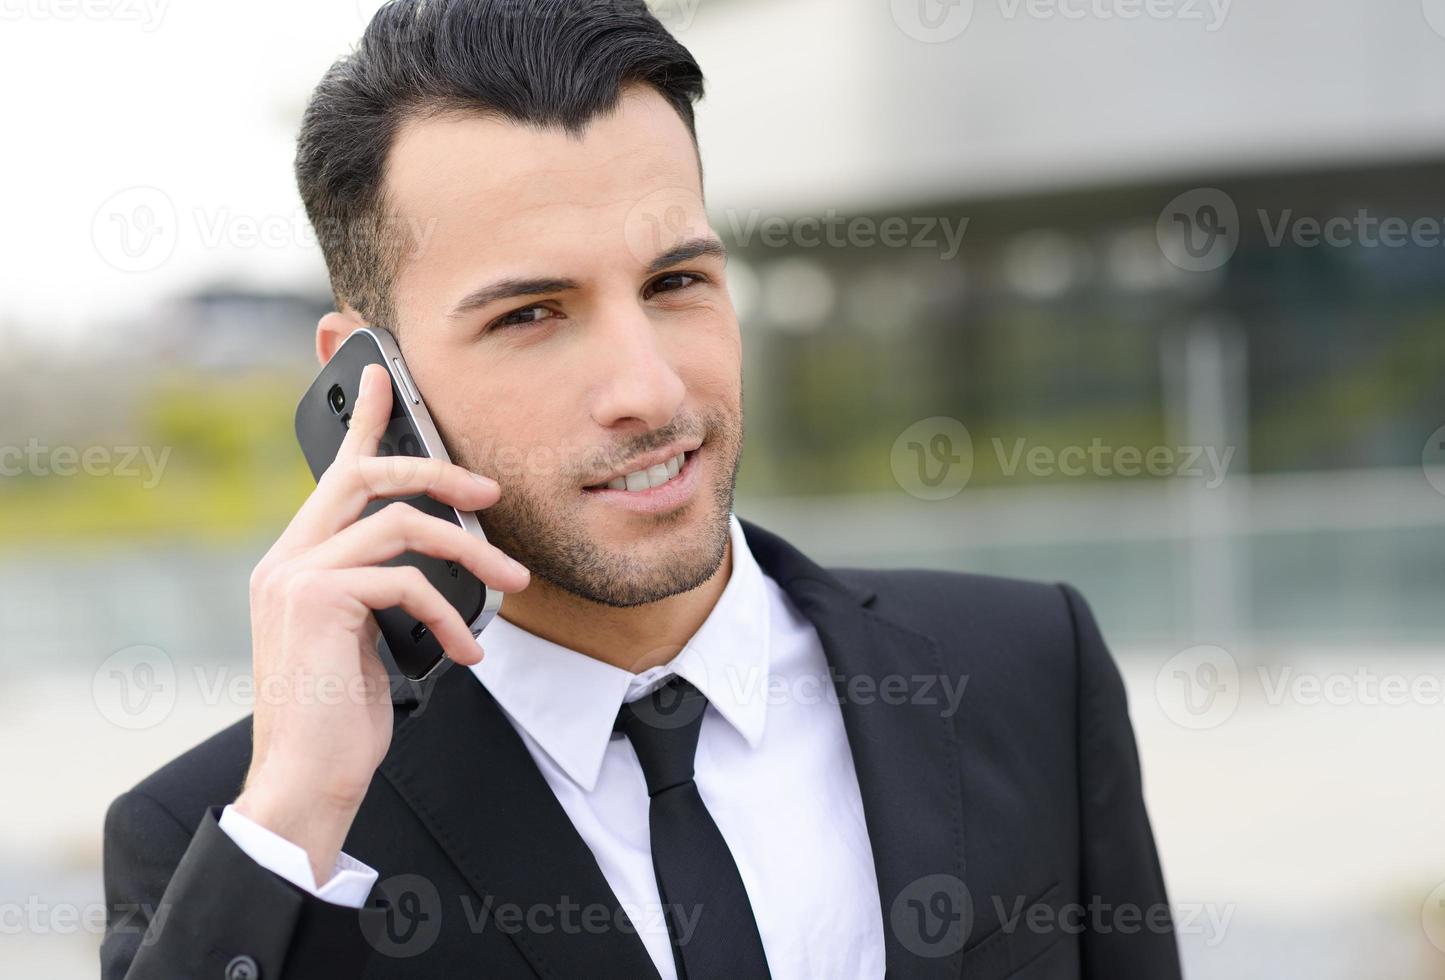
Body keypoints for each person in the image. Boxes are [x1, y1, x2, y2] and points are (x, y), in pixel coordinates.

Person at [101, 1, 1182, 977]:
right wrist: (292, 817)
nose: (648, 387)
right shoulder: (243, 838)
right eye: (530, 313)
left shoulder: (1026, 668)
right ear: (368, 380)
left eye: (676, 282)